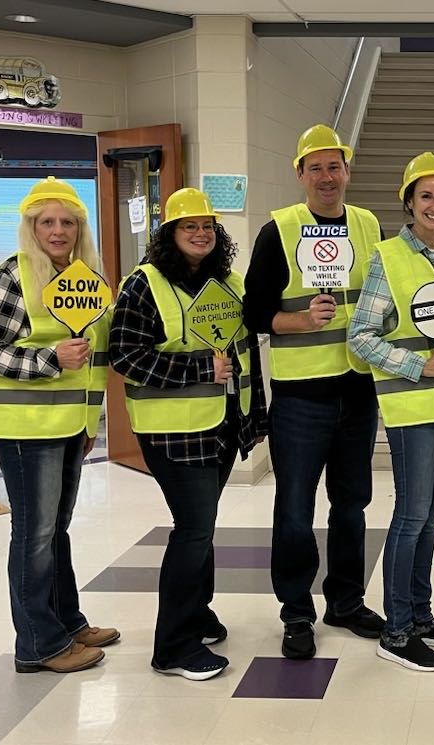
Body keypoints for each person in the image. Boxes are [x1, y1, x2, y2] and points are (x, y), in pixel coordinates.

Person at [110, 187, 267, 681]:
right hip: (172, 431)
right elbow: (125, 356)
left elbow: (245, 353)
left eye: (207, 227)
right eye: (188, 227)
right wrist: (200, 368)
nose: (200, 234)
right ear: (169, 234)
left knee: (203, 527)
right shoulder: (144, 284)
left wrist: (253, 417)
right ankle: (173, 647)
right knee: (193, 529)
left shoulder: (229, 282)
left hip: (221, 425)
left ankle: (196, 615)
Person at [244, 124, 384, 660]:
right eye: (316, 168)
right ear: (300, 174)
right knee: (295, 509)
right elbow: (255, 312)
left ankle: (346, 601)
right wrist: (299, 321)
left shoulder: (368, 224)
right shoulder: (279, 230)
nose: (327, 177)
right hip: (301, 396)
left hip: (358, 390)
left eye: (335, 166)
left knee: (352, 504)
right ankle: (296, 611)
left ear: (347, 171)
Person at [0, 176, 117, 674]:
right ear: (31, 228)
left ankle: (67, 623)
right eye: (47, 222)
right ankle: (38, 644)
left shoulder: (84, 280)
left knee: (56, 532)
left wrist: (91, 421)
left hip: (69, 425)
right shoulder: (15, 275)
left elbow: (94, 361)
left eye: (67, 222)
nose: (58, 231)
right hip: (25, 428)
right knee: (34, 534)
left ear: (80, 229)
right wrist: (50, 359)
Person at [349, 152, 434, 672]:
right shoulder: (387, 257)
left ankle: (421, 616)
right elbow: (361, 337)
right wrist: (419, 364)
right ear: (409, 202)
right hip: (412, 406)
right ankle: (396, 630)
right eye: (426, 196)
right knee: (411, 516)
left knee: (432, 517)